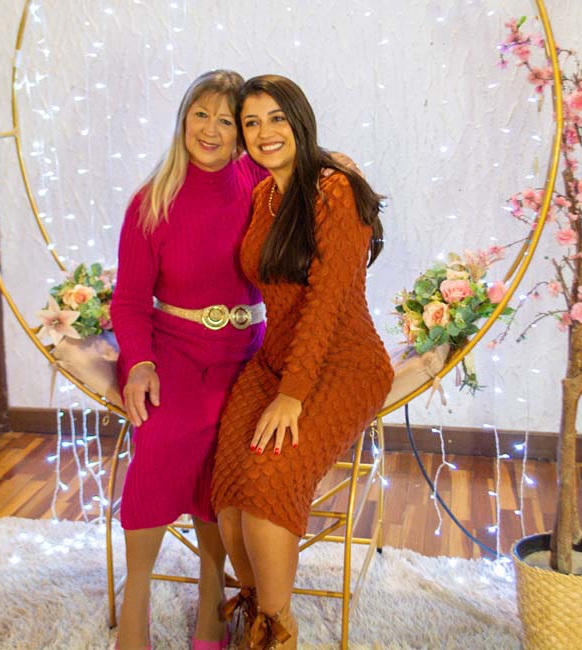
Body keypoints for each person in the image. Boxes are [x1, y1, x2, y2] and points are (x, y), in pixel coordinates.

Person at [211, 75, 394, 649]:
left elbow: (325, 304)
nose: (264, 132)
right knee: (228, 491)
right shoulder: (263, 195)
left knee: (268, 482)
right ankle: (257, 612)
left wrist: (292, 394)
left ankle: (276, 631)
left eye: (276, 118)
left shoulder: (335, 190)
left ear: (299, 119)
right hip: (274, 359)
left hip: (344, 361)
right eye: (251, 122)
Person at [110, 69, 268, 650]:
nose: (211, 129)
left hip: (245, 353)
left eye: (226, 120)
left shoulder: (259, 183)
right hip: (172, 351)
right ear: (183, 119)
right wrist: (140, 363)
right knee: (161, 439)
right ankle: (136, 603)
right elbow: (128, 302)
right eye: (201, 114)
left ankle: (211, 607)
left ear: (241, 134)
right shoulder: (151, 201)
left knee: (225, 463)